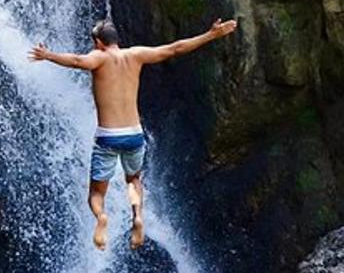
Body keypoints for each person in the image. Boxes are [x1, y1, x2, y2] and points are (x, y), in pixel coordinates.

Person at [28, 17, 238, 250]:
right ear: (116, 40)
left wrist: (48, 55)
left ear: (98, 42)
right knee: (134, 180)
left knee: (96, 194)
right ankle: (137, 216)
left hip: (108, 136)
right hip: (134, 134)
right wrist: (211, 35)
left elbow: (78, 60)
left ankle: (101, 218)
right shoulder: (136, 55)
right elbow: (174, 48)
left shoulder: (99, 57)